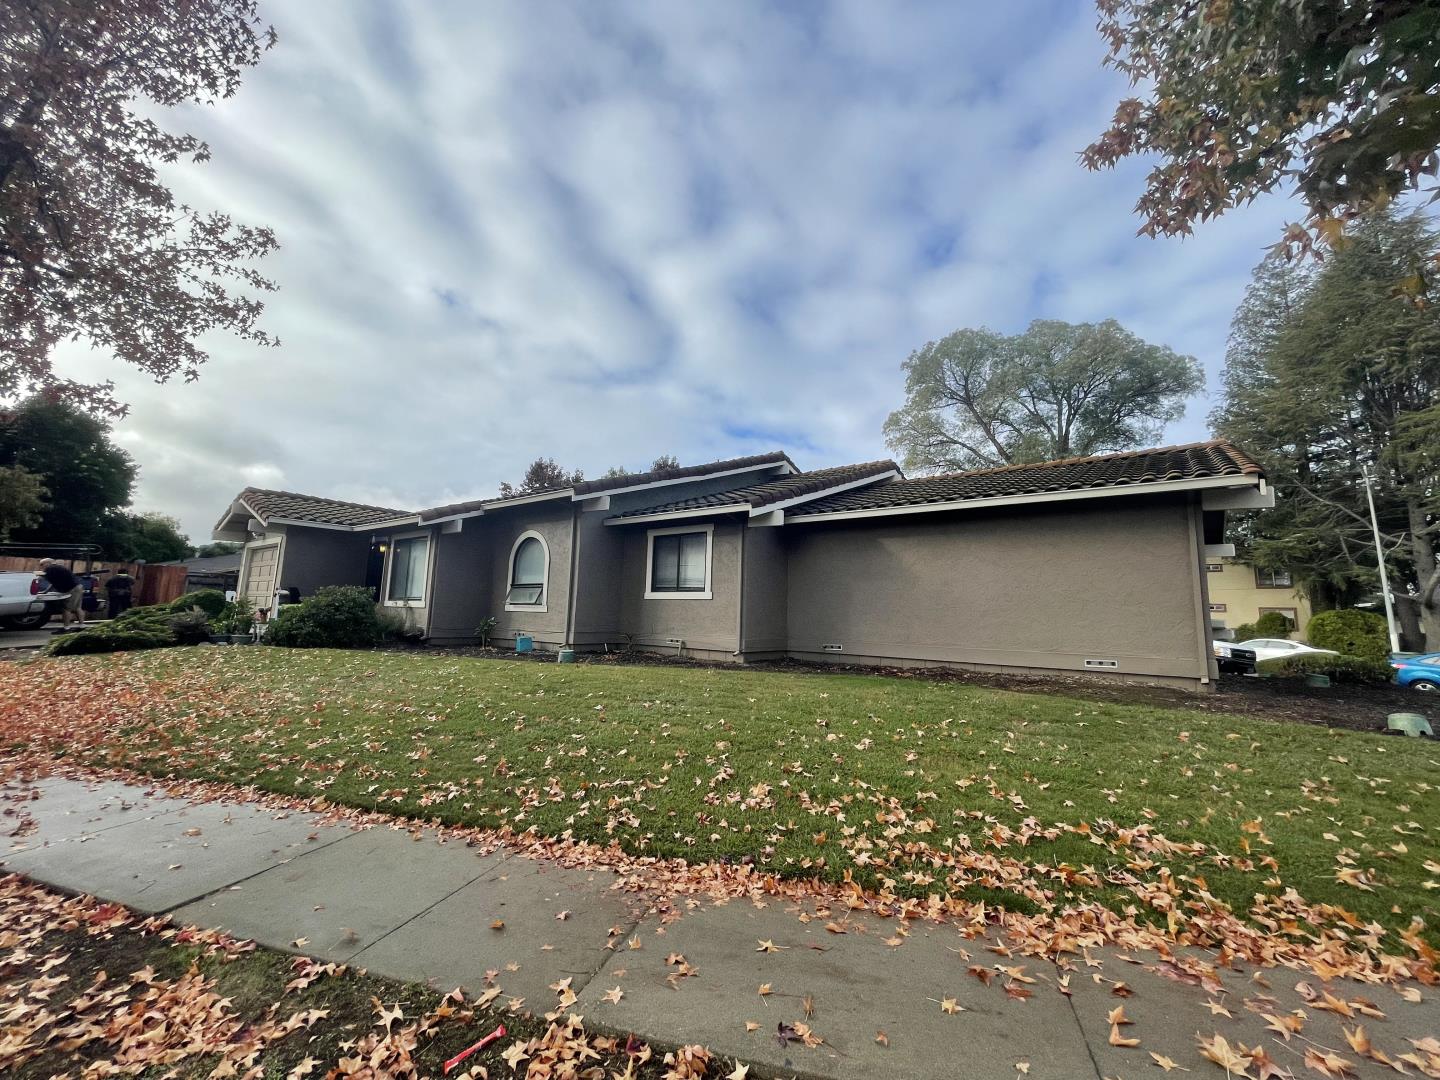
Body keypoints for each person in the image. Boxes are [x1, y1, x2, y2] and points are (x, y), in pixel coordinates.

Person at [37, 558, 85, 627]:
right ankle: (81, 625)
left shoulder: (50, 568)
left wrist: (36, 576)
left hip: (72, 589)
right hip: (78, 587)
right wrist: (45, 591)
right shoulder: (58, 568)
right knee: (77, 608)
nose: (41, 566)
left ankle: (66, 628)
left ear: (48, 563)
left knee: (66, 608)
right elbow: (53, 582)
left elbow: (41, 577)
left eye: (42, 564)